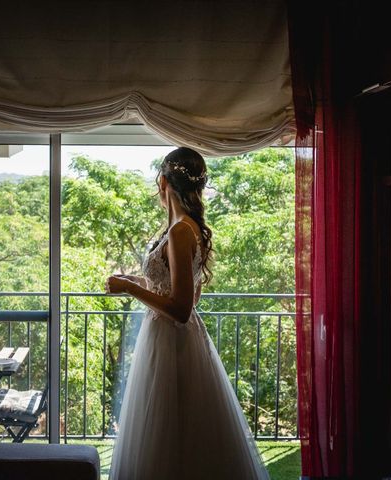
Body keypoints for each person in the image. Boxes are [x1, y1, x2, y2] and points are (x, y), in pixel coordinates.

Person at [105, 147, 270, 480]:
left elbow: (181, 309)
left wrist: (129, 290)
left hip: (171, 341)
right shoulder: (185, 227)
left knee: (170, 434)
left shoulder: (181, 231)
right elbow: (173, 285)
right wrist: (133, 280)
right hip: (169, 338)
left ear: (164, 182)